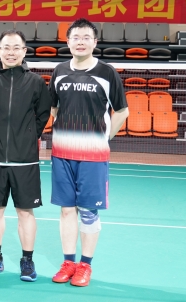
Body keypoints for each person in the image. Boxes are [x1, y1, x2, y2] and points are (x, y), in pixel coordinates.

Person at [49, 18, 128, 287]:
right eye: (76, 37)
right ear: (68, 41)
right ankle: (68, 262)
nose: (80, 42)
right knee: (66, 210)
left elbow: (122, 111)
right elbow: (54, 108)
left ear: (95, 42)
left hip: (93, 156)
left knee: (88, 212)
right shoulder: (59, 71)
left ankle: (85, 265)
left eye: (86, 37)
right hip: (62, 154)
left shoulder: (107, 72)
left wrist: (104, 138)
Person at [0, 30, 52, 282]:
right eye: (6, 48)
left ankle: (27, 261)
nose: (11, 52)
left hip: (25, 160)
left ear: (24, 51)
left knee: (25, 212)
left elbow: (43, 114)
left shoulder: (36, 82)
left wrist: (29, 137)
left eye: (16, 48)